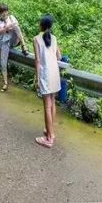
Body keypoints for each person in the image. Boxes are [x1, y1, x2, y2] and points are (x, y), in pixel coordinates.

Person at [34, 14, 61, 148]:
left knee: (47, 106)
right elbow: (59, 56)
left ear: (41, 25)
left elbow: (38, 61)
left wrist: (37, 79)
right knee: (52, 103)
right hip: (55, 73)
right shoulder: (54, 38)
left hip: (45, 74)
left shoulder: (36, 39)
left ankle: (49, 138)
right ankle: (51, 132)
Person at [0, 3, 29, 92]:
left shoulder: (12, 17)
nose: (4, 14)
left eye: (5, 11)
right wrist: (6, 28)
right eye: (2, 12)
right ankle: (5, 83)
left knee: (16, 26)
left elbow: (15, 26)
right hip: (5, 43)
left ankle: (23, 45)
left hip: (14, 40)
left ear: (7, 11)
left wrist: (8, 27)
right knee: (3, 62)